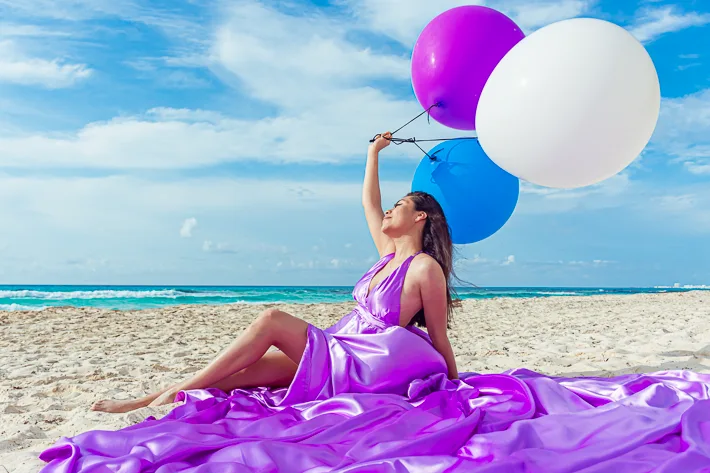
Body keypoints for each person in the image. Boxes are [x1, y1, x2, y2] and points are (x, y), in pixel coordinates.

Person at [91, 131, 458, 414]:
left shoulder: (425, 269)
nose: (389, 212)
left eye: (400, 206)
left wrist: (457, 384)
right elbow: (369, 202)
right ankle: (145, 401)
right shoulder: (386, 253)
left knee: (271, 320)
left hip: (363, 360)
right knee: (237, 377)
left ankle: (169, 394)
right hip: (339, 341)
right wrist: (372, 153)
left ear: (420, 217)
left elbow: (439, 337)